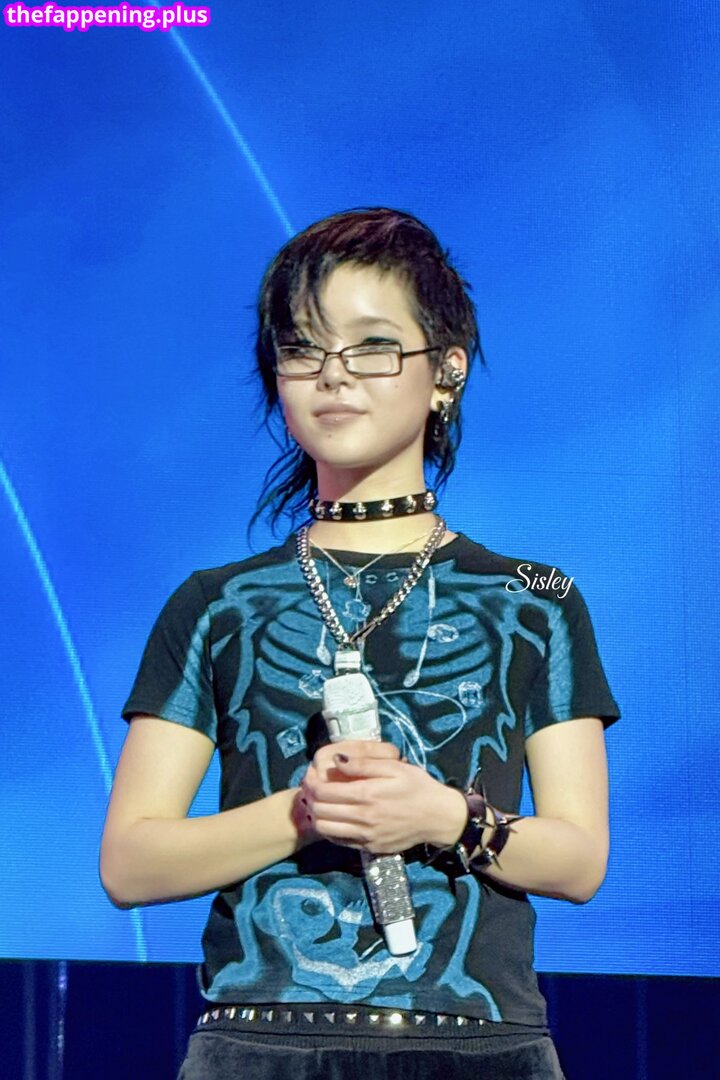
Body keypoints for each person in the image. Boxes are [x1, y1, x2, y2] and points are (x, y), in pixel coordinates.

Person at [100, 207, 621, 1080]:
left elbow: (580, 860)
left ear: (446, 371)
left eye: (373, 347)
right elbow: (130, 864)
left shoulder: (535, 601)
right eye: (302, 349)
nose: (333, 375)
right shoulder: (216, 604)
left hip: (477, 1046)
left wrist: (439, 815)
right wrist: (306, 814)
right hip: (258, 1045)